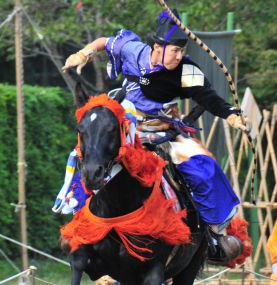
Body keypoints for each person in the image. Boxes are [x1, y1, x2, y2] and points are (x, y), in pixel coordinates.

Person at [62, 10, 250, 265]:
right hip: (125, 127)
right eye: (175, 51)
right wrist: (84, 53)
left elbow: (209, 96)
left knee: (204, 167)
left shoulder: (186, 70)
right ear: (157, 47)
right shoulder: (133, 50)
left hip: (163, 130)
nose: (179, 56)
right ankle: (80, 227)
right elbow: (105, 42)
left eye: (182, 51)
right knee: (87, 153)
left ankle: (214, 235)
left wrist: (231, 115)